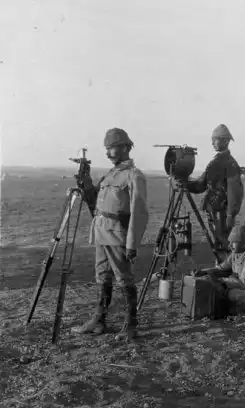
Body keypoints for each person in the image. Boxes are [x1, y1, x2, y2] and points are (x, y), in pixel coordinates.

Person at [72, 128, 149, 341]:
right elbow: (94, 200)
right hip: (101, 232)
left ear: (125, 148)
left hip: (117, 235)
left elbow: (139, 213)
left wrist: (132, 244)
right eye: (106, 149)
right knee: (102, 276)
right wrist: (85, 180)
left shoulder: (134, 176)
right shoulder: (110, 175)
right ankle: (99, 320)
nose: (108, 153)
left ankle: (130, 326)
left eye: (112, 148)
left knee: (124, 278)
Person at [185, 124, 244, 254]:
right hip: (213, 210)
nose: (212, 143)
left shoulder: (230, 164)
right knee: (218, 242)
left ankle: (229, 264)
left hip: (222, 212)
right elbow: (200, 185)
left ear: (226, 141)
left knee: (225, 243)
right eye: (212, 139)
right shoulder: (215, 162)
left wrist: (230, 214)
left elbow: (235, 192)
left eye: (215, 139)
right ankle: (222, 264)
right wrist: (184, 182)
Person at [197, 225, 245, 314]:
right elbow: (220, 269)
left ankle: (239, 312)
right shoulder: (234, 255)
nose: (230, 245)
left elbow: (243, 283)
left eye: (234, 242)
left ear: (244, 243)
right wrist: (204, 272)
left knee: (233, 294)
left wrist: (222, 281)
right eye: (230, 242)